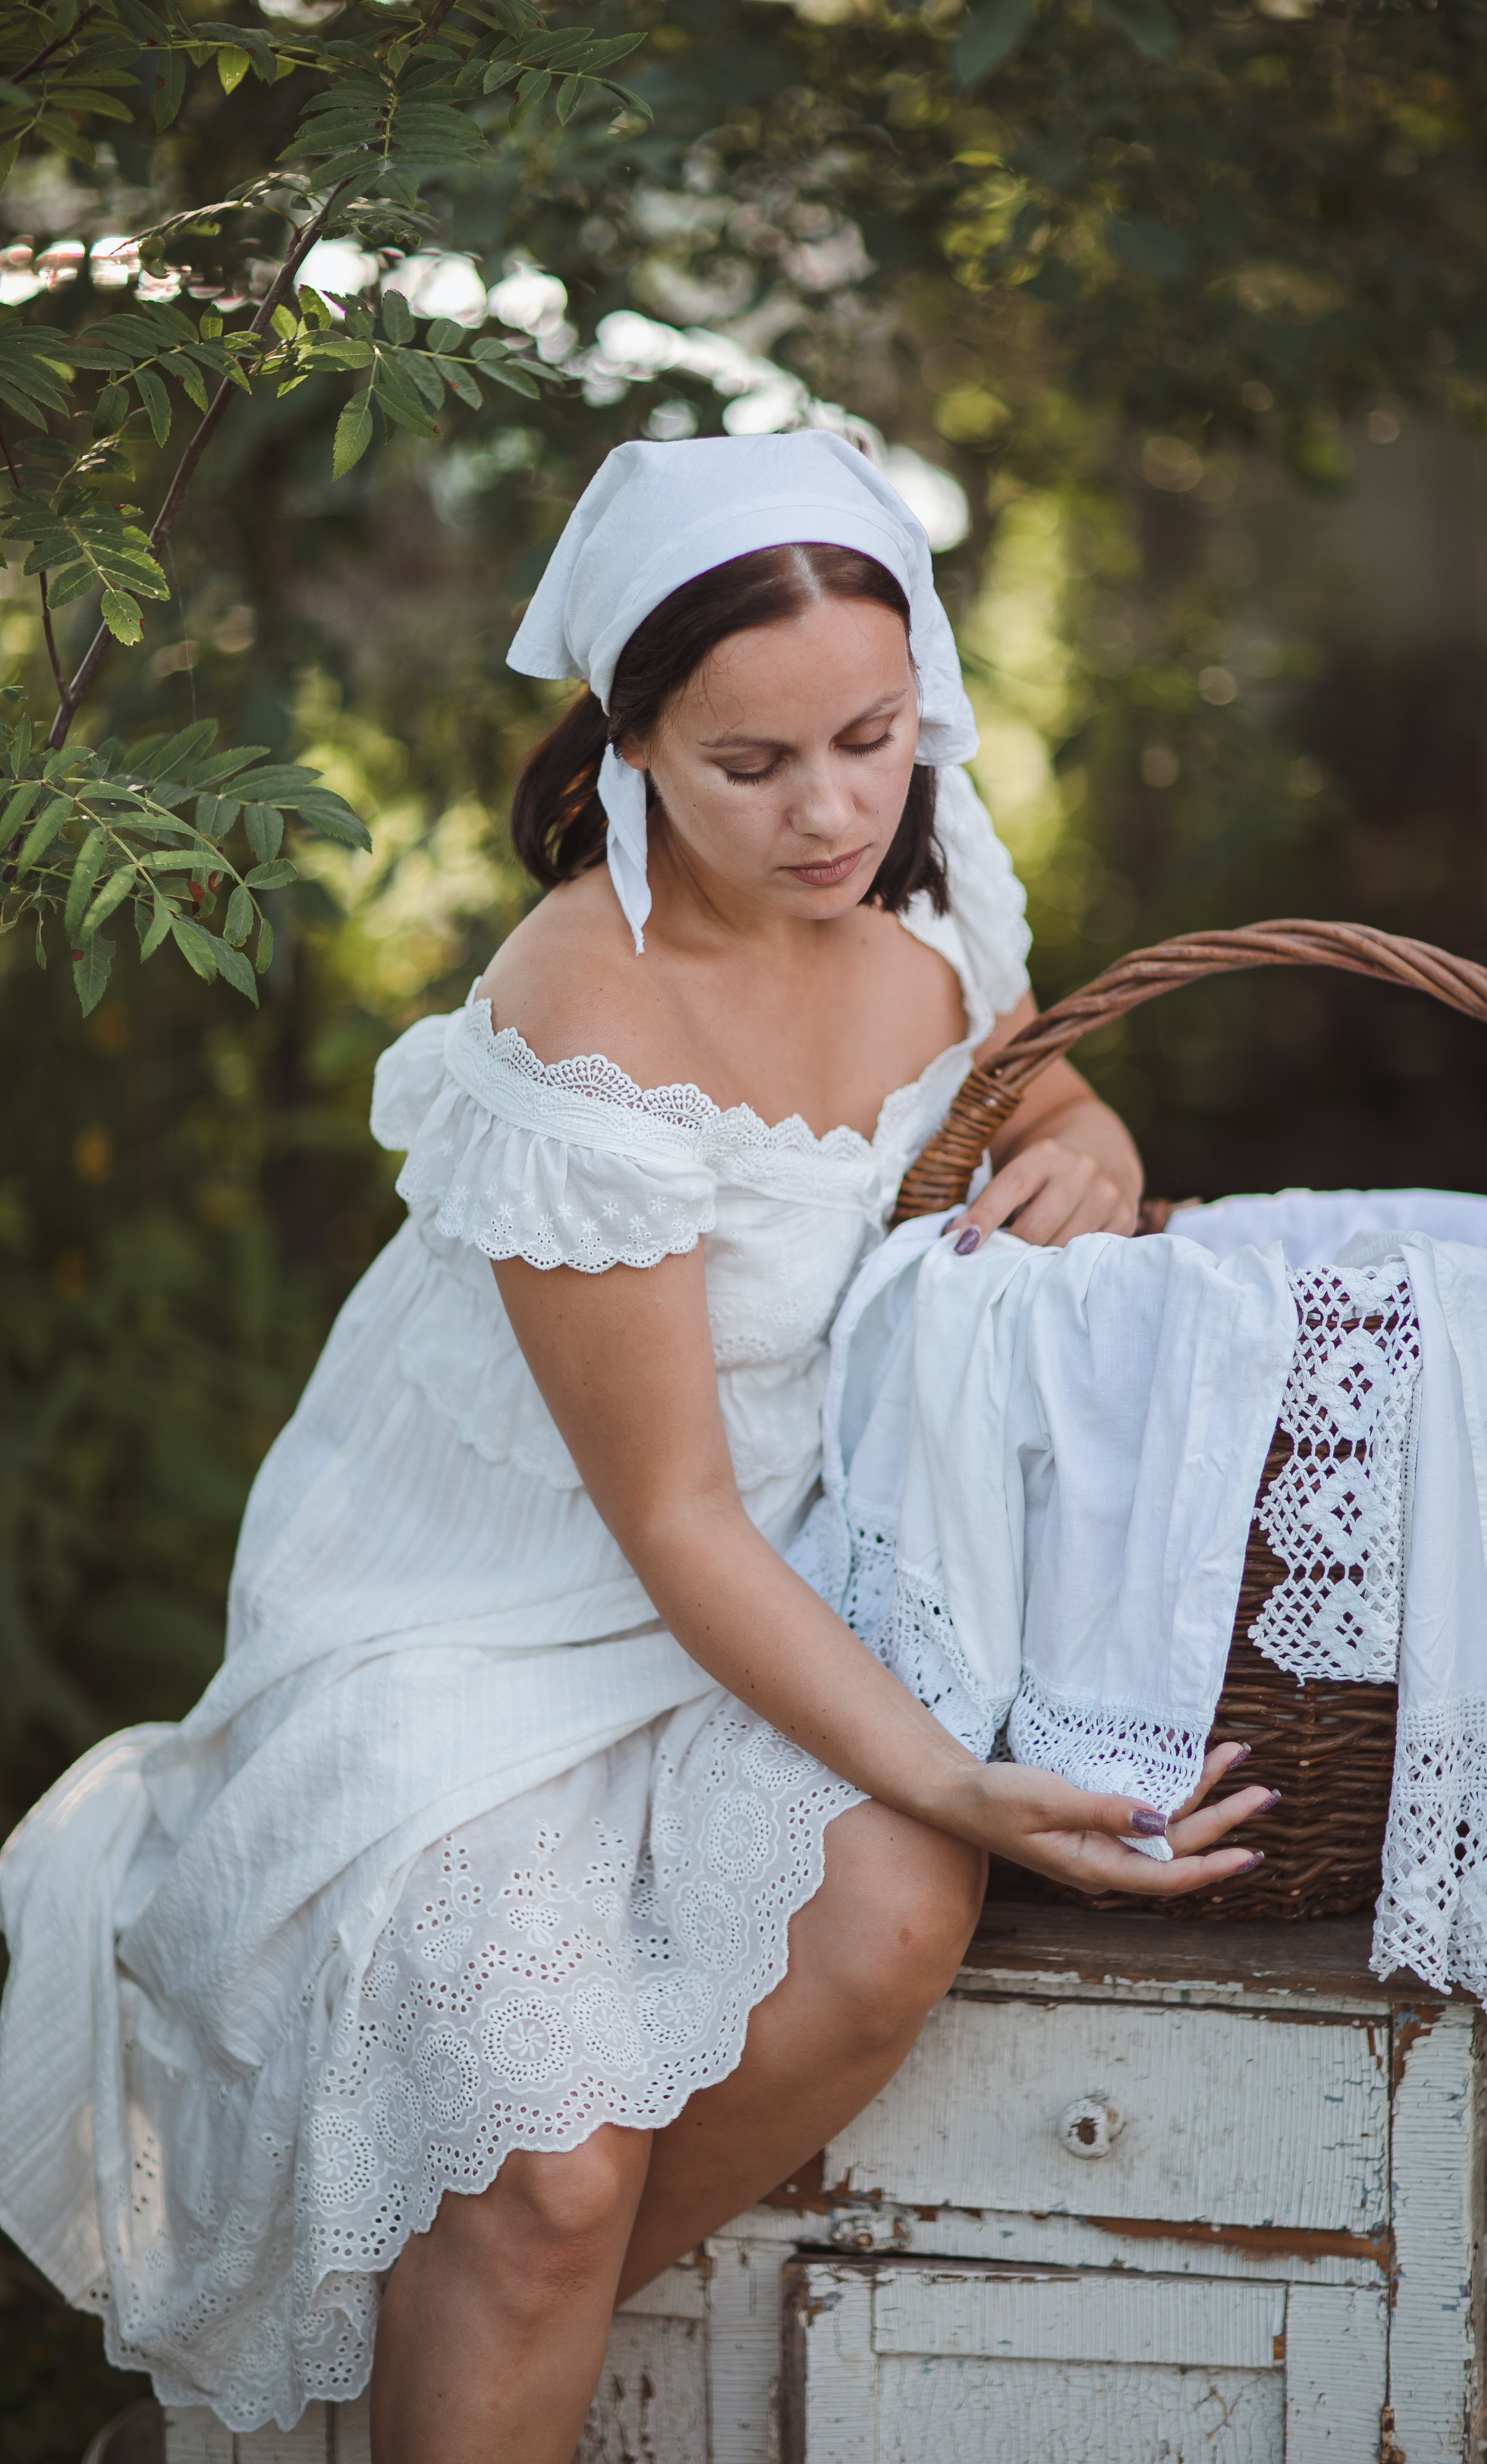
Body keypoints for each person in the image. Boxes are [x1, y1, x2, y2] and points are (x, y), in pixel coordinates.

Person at [0, 433, 1270, 2463]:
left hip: (786, 1566)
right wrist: (943, 1755)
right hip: (494, 1601)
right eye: (751, 766)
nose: (836, 810)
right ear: (632, 747)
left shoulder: (935, 926)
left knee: (895, 1915)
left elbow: (1035, 1096)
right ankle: (428, 2338)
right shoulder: (587, 1006)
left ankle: (373, 2399)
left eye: (872, 738)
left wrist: (1092, 1138)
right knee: (549, 2176)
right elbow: (665, 1510)